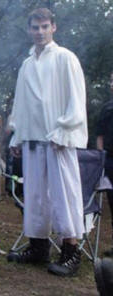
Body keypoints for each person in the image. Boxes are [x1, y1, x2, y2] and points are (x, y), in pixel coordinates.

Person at [7, 8, 87, 277]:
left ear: (54, 27)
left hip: (58, 140)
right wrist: (17, 134)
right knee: (36, 196)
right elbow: (21, 103)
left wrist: (64, 131)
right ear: (29, 30)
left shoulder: (66, 58)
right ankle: (38, 247)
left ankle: (70, 251)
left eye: (44, 27)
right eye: (35, 27)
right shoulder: (27, 64)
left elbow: (76, 99)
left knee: (64, 196)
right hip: (32, 138)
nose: (39, 32)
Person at [96, 71, 113, 257]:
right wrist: (101, 159)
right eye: (111, 81)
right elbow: (99, 135)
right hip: (110, 161)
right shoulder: (107, 108)